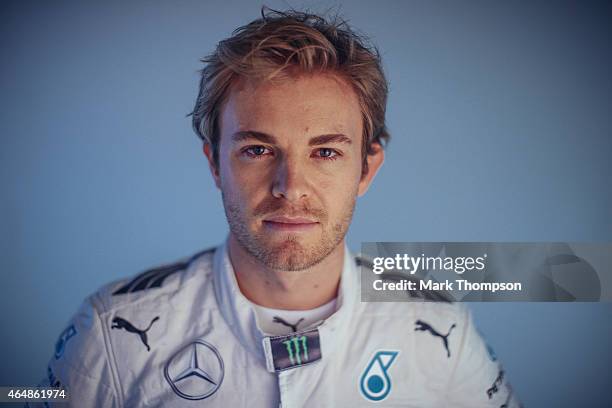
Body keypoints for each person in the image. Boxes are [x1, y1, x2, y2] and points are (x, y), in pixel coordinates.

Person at [34, 8, 520, 407]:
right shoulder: (109, 333)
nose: (291, 187)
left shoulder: (442, 330)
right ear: (216, 164)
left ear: (366, 170)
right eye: (258, 150)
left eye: (326, 152)